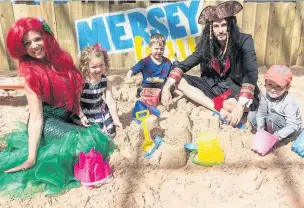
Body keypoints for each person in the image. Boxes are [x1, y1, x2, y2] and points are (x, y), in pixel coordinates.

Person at [0, 17, 114, 197]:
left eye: (37, 39)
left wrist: (80, 113)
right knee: (84, 143)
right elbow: (37, 119)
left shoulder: (63, 62)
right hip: (48, 122)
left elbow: (74, 93)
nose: (34, 46)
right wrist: (31, 158)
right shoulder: (31, 76)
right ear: (22, 48)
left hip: (68, 116)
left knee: (97, 137)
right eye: (27, 43)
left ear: (46, 37)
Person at [161, 1, 260, 126]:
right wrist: (166, 87)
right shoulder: (206, 45)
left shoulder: (244, 40)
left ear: (230, 26)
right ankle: (217, 108)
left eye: (223, 25)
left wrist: (240, 106)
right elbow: (184, 64)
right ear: (211, 29)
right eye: (216, 26)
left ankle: (211, 102)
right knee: (179, 80)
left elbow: (251, 72)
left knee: (238, 104)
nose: (220, 30)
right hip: (213, 86)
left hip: (236, 87)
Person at [72, 43, 122, 138]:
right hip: (86, 112)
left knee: (111, 133)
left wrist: (116, 119)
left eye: (101, 65)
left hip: (100, 110)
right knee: (96, 135)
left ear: (105, 63)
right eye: (94, 67)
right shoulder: (82, 82)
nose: (98, 69)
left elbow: (110, 101)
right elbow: (76, 100)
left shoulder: (105, 80)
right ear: (86, 67)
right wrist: (81, 115)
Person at [248, 65, 302, 140]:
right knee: (251, 115)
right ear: (265, 83)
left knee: (272, 117)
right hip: (272, 121)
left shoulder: (289, 102)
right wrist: (260, 131)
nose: (273, 90)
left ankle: (272, 135)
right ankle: (267, 132)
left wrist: (275, 137)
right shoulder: (265, 95)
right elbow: (261, 113)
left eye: (278, 86)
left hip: (289, 129)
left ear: (287, 87)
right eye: (270, 85)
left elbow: (291, 126)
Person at [125, 33, 172, 106]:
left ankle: (158, 97)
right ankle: (146, 99)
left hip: (161, 86)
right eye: (156, 48)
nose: (159, 51)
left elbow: (171, 76)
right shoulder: (145, 62)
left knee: (170, 88)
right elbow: (132, 70)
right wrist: (129, 76)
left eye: (161, 49)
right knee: (140, 90)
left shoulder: (167, 62)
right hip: (147, 86)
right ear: (149, 47)